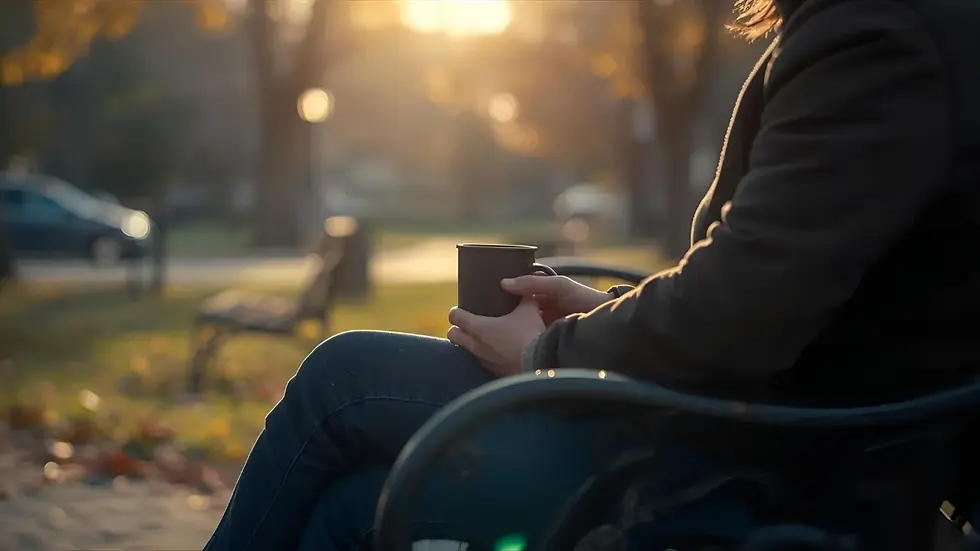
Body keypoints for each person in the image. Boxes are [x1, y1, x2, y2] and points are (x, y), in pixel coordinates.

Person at [203, 0, 980, 549]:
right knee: (349, 504)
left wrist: (552, 355)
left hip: (772, 462)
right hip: (771, 424)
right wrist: (607, 315)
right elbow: (785, 282)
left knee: (347, 378)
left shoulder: (881, 32)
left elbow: (744, 308)